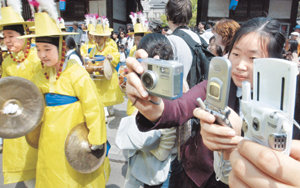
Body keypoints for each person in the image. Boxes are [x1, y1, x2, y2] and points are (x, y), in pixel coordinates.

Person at [125, 17, 291, 188]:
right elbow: (179, 109)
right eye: (235, 54)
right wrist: (150, 105)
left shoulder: (286, 106)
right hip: (193, 178)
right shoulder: (217, 84)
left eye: (253, 58)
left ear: (274, 62)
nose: (241, 65)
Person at [21, 10, 107, 187]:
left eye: (47, 49)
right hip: (48, 139)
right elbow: (32, 104)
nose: (42, 54)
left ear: (60, 48)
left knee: (73, 179)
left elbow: (93, 107)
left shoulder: (76, 73)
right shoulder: (38, 74)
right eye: (38, 49)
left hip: (73, 139)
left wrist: (96, 138)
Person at [117, 33, 177, 188]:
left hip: (154, 170)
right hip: (159, 165)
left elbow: (141, 140)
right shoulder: (174, 83)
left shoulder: (161, 92)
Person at [0, 3, 41, 186]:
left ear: (24, 34)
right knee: (24, 167)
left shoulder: (36, 57)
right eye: (4, 37)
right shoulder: (7, 62)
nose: (7, 41)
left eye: (11, 36)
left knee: (42, 162)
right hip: (16, 119)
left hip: (38, 118)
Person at [89, 16, 124, 109]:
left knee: (109, 93)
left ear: (104, 38)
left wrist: (111, 57)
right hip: (98, 75)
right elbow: (91, 59)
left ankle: (109, 108)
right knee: (100, 95)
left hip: (108, 73)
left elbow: (116, 55)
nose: (97, 40)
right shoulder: (94, 49)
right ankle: (104, 110)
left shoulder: (109, 47)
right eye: (96, 38)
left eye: (99, 38)